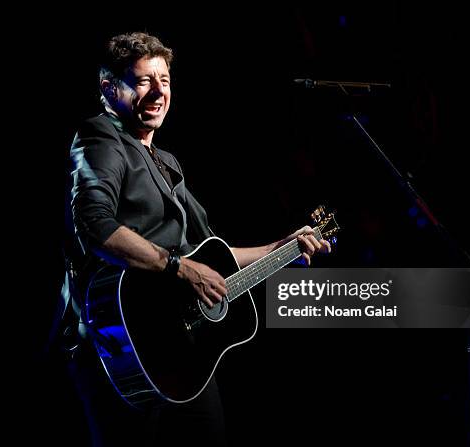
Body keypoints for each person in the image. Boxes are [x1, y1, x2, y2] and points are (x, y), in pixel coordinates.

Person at [64, 31, 331, 447]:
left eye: (164, 81)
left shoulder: (166, 161)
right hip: (124, 348)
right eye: (143, 80)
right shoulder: (101, 138)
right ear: (108, 87)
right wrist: (178, 267)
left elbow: (212, 257)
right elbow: (96, 227)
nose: (157, 92)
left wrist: (282, 249)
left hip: (182, 354)